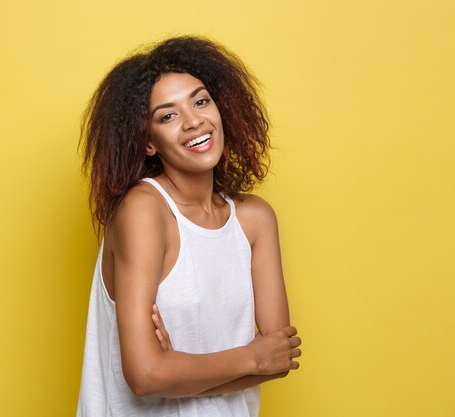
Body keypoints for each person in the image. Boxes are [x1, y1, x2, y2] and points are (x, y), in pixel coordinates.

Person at [76, 35, 302, 417]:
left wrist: (179, 368)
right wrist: (250, 356)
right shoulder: (143, 212)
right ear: (148, 143)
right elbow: (146, 376)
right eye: (168, 115)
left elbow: (278, 359)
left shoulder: (255, 220)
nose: (193, 120)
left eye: (200, 101)